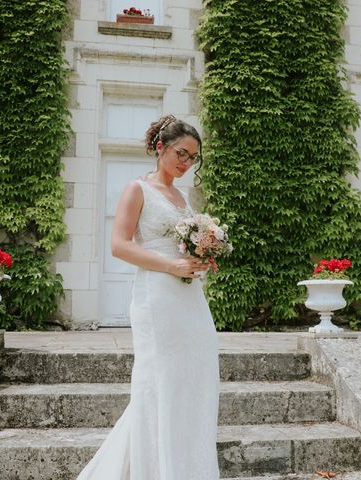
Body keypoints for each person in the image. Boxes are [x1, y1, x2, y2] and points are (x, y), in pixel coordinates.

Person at [76, 115, 220, 480]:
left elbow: (181, 244)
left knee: (196, 375)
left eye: (192, 158)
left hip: (189, 297)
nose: (186, 164)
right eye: (181, 154)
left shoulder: (184, 197)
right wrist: (172, 266)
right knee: (161, 382)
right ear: (160, 148)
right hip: (157, 298)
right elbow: (120, 246)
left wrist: (202, 256)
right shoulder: (136, 189)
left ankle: (188, 467)